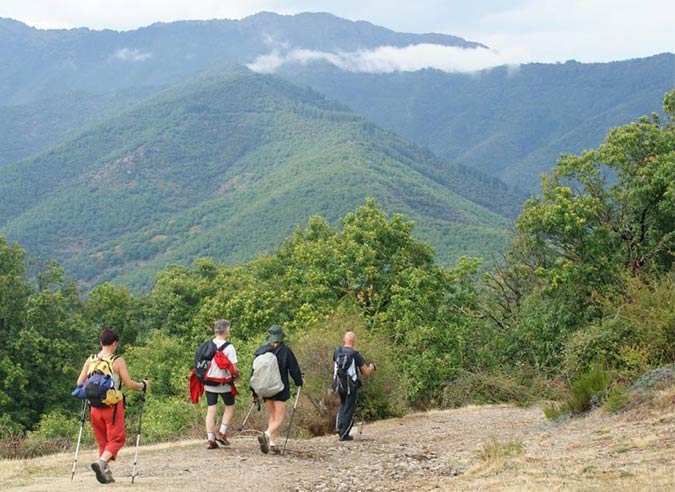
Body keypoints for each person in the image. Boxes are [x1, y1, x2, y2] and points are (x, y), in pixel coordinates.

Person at [76, 328, 149, 484]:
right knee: (117, 439)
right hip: (112, 407)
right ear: (115, 343)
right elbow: (129, 384)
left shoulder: (91, 359)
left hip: (94, 407)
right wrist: (142, 385)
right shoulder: (118, 361)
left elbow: (79, 383)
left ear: (101, 342)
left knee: (103, 440)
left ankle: (106, 472)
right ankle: (101, 463)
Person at [252, 324, 303, 454]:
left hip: (265, 389)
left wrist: (254, 392)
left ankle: (272, 444)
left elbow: (253, 372)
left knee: (272, 415)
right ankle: (267, 434)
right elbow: (294, 369)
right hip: (280, 388)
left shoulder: (261, 351)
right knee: (279, 418)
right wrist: (299, 382)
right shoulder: (285, 350)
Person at [202, 319, 239, 449]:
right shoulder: (229, 347)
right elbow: (233, 368)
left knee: (211, 410)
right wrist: (238, 376)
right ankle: (222, 433)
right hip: (224, 383)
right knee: (230, 406)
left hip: (209, 382)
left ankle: (210, 440)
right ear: (226, 330)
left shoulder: (207, 344)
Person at [334, 331, 375, 441]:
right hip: (351, 385)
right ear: (353, 341)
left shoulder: (337, 352)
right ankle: (344, 434)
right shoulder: (355, 354)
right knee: (349, 408)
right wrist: (372, 367)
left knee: (343, 404)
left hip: (339, 384)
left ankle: (339, 427)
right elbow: (365, 372)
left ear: (344, 340)